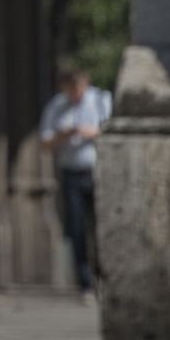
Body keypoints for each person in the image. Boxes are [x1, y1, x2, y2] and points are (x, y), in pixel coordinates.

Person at [39, 66, 112, 300]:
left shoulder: (100, 100)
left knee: (101, 227)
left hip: (98, 171)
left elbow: (112, 131)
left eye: (77, 88)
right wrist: (65, 135)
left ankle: (105, 277)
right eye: (69, 89)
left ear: (85, 84)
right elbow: (45, 142)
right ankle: (85, 282)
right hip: (71, 173)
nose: (74, 94)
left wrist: (90, 132)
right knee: (77, 228)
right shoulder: (57, 106)